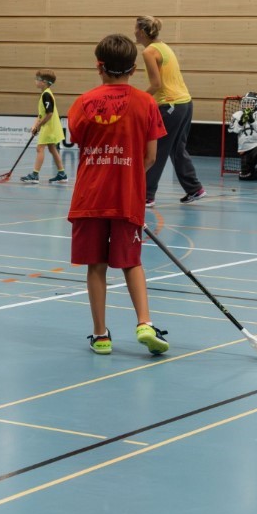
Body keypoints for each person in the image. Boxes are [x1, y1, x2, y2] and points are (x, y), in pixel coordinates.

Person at [67, 34, 170, 356]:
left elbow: (79, 140)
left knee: (95, 266)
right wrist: (129, 175)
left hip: (89, 198)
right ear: (134, 68)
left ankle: (100, 335)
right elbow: (150, 157)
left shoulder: (82, 103)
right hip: (126, 197)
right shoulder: (146, 103)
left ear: (99, 66)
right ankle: (145, 323)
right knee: (132, 263)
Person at [134, 16, 205, 206]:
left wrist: (138, 100)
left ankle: (147, 195)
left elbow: (156, 85)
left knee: (156, 150)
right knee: (176, 148)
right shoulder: (163, 46)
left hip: (170, 105)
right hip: (185, 103)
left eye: (136, 29)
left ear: (142, 32)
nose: (134, 32)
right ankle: (194, 188)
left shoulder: (149, 52)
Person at [20, 69, 68, 184]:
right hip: (50, 125)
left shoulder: (46, 94)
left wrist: (39, 126)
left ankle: (35, 175)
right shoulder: (45, 94)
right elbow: (41, 114)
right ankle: (62, 174)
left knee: (40, 148)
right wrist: (35, 126)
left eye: (37, 79)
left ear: (44, 82)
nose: (35, 81)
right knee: (52, 149)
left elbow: (49, 114)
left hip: (49, 126)